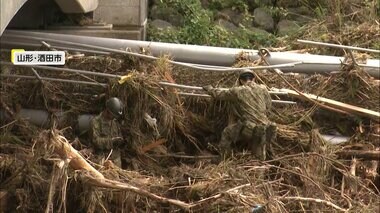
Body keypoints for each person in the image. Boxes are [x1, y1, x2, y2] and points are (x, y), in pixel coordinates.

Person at [203, 69, 276, 160]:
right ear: (254, 79)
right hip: (264, 127)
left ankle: (224, 159)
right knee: (260, 149)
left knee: (227, 133)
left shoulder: (238, 91)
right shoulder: (263, 88)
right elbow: (268, 106)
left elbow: (219, 94)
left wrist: (210, 89)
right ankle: (262, 164)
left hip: (249, 128)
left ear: (241, 81)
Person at [89, 97, 124, 167]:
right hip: (102, 157)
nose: (114, 117)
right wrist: (111, 141)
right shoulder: (96, 122)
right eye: (113, 115)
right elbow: (95, 141)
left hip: (115, 157)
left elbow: (119, 136)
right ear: (107, 111)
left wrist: (119, 141)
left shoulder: (115, 122)